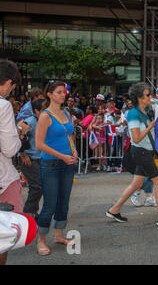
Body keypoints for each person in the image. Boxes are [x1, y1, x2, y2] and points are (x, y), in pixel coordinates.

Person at [106, 82, 158, 230]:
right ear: (139, 97)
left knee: (136, 184)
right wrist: (151, 127)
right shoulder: (133, 113)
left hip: (147, 151)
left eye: (151, 94)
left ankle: (114, 210)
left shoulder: (147, 109)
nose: (150, 96)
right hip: (141, 152)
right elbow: (136, 138)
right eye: (147, 94)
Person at [35, 81, 78, 256]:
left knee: (63, 201)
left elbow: (69, 135)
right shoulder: (45, 116)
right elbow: (39, 144)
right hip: (51, 165)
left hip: (67, 164)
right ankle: (41, 240)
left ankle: (59, 235)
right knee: (50, 204)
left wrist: (74, 150)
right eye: (59, 92)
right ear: (50, 94)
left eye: (64, 92)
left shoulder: (65, 113)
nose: (63, 94)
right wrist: (62, 156)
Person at [0, 59, 30, 265]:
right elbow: (10, 148)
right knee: (3, 236)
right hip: (2, 179)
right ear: (8, 82)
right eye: (12, 87)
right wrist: (19, 131)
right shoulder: (3, 106)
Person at [19, 99, 45, 219]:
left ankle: (32, 212)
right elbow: (18, 136)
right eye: (44, 111)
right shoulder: (29, 122)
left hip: (40, 158)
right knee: (37, 185)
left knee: (37, 186)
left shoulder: (45, 121)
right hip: (29, 159)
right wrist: (23, 154)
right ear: (36, 111)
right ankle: (29, 212)